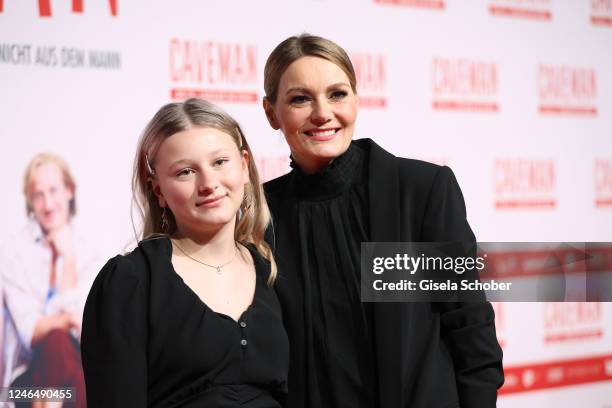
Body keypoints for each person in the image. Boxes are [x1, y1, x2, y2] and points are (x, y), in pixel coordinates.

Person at [261, 34, 504, 408]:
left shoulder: (420, 191)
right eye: (299, 98)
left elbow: (468, 319)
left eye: (337, 94)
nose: (322, 113)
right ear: (271, 112)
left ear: (356, 100)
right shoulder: (261, 213)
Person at [81, 98, 289, 407]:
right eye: (186, 172)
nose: (208, 184)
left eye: (220, 162)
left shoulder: (269, 268)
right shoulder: (131, 281)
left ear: (244, 166)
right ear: (158, 190)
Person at [3, 153, 99, 408]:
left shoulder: (90, 251)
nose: (47, 204)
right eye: (38, 195)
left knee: (83, 375)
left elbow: (84, 336)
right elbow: (31, 332)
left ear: (69, 190)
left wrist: (68, 260)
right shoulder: (14, 251)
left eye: (54, 191)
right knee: (56, 342)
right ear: (30, 202)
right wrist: (67, 319)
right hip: (21, 389)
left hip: (75, 375)